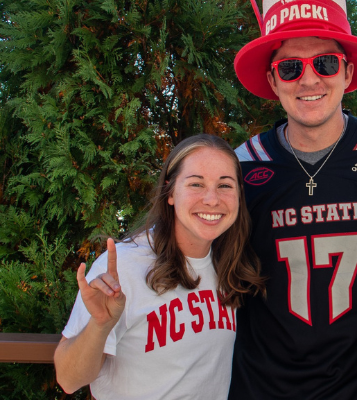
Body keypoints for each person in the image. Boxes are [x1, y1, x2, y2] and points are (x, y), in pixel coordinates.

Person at [230, 0, 357, 398]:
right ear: (273, 80)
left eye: (326, 63)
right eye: (290, 67)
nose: (309, 80)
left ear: (347, 72)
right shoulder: (239, 169)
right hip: (262, 390)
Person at [54, 134, 265, 399]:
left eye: (225, 185)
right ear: (170, 192)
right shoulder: (124, 267)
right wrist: (99, 326)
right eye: (196, 184)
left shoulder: (229, 264)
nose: (212, 200)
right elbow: (68, 379)